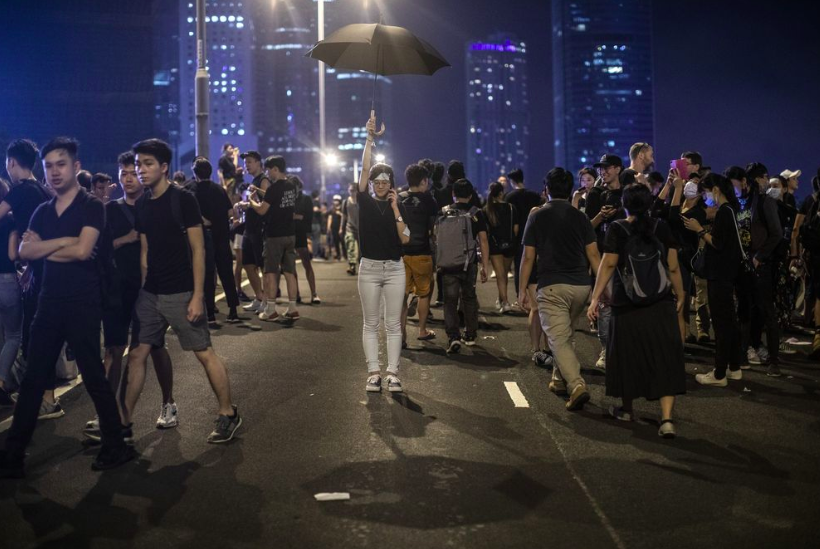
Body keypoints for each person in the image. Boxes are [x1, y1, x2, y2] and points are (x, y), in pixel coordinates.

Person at [1, 137, 134, 478]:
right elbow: (23, 253)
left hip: (83, 302)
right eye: (49, 166)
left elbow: (83, 251)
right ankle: (13, 454)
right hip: (48, 300)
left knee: (93, 375)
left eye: (61, 164)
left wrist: (46, 247)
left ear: (76, 167)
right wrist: (62, 242)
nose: (54, 171)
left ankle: (115, 444)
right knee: (33, 379)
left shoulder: (91, 206)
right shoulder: (43, 211)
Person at [122, 138, 241, 444]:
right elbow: (145, 250)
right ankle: (122, 424)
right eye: (138, 165)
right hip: (151, 293)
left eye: (148, 164)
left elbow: (198, 249)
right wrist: (143, 289)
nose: (141, 170)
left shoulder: (183, 199)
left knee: (204, 353)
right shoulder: (144, 203)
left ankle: (228, 413)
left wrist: (199, 295)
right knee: (137, 355)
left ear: (164, 167)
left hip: (181, 291)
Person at [88, 151, 177, 439]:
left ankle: (168, 404)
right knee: (113, 350)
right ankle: (107, 412)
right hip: (117, 290)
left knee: (154, 348)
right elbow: (98, 249)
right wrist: (126, 239)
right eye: (123, 173)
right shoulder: (109, 210)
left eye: (132, 172)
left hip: (149, 291)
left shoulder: (155, 206)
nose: (127, 178)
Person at [588, 183, 686, 438]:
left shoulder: (618, 229)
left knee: (626, 357)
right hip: (660, 302)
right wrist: (681, 293)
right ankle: (666, 420)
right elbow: (673, 266)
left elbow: (608, 265)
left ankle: (627, 409)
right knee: (664, 359)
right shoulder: (661, 227)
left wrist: (595, 298)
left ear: (625, 204)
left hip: (627, 304)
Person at [519, 168, 601, 409]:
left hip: (552, 285)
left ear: (547, 190)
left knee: (558, 337)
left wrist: (522, 289)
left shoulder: (537, 216)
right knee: (564, 334)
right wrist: (603, 287)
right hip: (580, 287)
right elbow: (594, 254)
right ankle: (558, 379)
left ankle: (576, 384)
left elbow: (528, 257)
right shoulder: (580, 217)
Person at [0, 139, 55, 414]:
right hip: (46, 269)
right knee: (41, 333)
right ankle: (45, 395)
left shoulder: (20, 191)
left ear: (11, 162)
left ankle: (43, 398)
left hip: (37, 273)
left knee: (35, 335)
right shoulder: (43, 191)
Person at [356, 113, 410, 393]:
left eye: (385, 181)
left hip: (394, 268)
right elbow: (364, 170)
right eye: (376, 181)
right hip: (369, 268)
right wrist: (369, 138)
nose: (379, 184)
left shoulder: (396, 205)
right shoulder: (363, 201)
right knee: (370, 322)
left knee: (392, 324)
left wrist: (396, 209)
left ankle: (392, 373)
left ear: (391, 183)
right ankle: (373, 372)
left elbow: (405, 238)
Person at [683, 174, 744, 387]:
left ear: (716, 189)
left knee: (721, 324)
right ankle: (734, 368)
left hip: (719, 274)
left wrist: (699, 230)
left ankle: (719, 374)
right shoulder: (731, 210)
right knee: (730, 321)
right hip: (728, 273)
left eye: (706, 191)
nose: (706, 197)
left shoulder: (723, 213)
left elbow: (717, 243)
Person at [726, 164, 783, 376]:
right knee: (743, 311)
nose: (733, 190)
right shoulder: (736, 204)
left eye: (735, 186)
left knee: (767, 311)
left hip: (761, 266)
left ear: (745, 182)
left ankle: (774, 361)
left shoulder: (764, 202)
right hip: (742, 266)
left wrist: (759, 257)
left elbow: (776, 234)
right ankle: (743, 355)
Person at [438, 178, 491, 353]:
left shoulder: (444, 212)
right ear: (470, 195)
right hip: (469, 264)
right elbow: (483, 240)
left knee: (450, 301)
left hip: (447, 265)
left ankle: (453, 336)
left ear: (453, 194)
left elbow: (435, 237)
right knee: (469, 298)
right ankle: (470, 334)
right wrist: (484, 265)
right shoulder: (476, 213)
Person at [187, 156, 241, 324]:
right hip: (221, 236)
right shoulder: (219, 189)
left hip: (203, 238)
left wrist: (205, 220)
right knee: (226, 273)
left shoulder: (190, 189)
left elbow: (190, 214)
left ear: (194, 172)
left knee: (208, 275)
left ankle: (210, 313)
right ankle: (233, 310)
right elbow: (230, 212)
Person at [247, 155, 299, 322]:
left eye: (270, 170)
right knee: (290, 272)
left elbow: (262, 210)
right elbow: (275, 198)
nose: (268, 174)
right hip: (290, 234)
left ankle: (270, 310)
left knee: (270, 272)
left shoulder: (274, 188)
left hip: (274, 235)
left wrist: (251, 201)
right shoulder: (292, 185)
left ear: (276, 169)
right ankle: (292, 309)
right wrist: (262, 192)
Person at [586, 154, 625, 369]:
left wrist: (619, 211)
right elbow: (587, 228)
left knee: (626, 303)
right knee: (605, 304)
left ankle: (624, 348)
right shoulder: (596, 195)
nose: (603, 171)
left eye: (608, 167)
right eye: (601, 168)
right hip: (602, 256)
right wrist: (601, 216)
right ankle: (606, 350)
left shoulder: (626, 194)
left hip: (625, 257)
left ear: (618, 169)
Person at [399, 163, 438, 344]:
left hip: (401, 254)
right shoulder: (428, 200)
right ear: (423, 181)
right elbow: (433, 228)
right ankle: (422, 330)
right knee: (424, 294)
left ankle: (402, 337)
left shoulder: (399, 199)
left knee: (402, 296)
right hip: (422, 252)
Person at [667, 169, 707, 343]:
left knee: (690, 295)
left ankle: (695, 333)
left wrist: (676, 190)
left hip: (688, 255)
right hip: (675, 254)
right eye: (689, 181)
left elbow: (674, 218)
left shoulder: (699, 211)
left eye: (696, 183)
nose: (690, 185)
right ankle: (683, 332)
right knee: (678, 294)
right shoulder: (680, 202)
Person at [790, 172, 820, 359]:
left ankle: (816, 333)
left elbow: (796, 228)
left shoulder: (810, 200)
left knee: (816, 291)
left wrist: (795, 254)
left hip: (815, 253)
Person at [504, 168, 542, 300]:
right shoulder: (534, 195)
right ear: (522, 179)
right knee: (535, 264)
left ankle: (520, 295)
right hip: (536, 233)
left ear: (511, 181)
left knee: (520, 264)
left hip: (518, 235)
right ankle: (535, 294)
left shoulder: (509, 197)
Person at [237, 151, 268, 314]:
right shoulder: (253, 182)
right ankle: (259, 297)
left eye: (249, 162)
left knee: (263, 267)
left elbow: (267, 201)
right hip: (249, 229)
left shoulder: (263, 181)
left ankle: (268, 301)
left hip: (259, 229)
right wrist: (243, 204)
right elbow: (253, 202)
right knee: (248, 264)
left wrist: (248, 204)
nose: (246, 165)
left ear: (258, 163)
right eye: (245, 163)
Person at [0, 179, 21, 405]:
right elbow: (13, 254)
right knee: (14, 335)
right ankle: (2, 381)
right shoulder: (11, 221)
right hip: (6, 279)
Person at [219, 154, 249, 302]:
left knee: (247, 263)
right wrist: (238, 220)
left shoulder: (246, 200)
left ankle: (240, 290)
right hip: (238, 234)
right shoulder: (236, 200)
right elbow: (234, 220)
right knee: (240, 263)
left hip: (246, 234)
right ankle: (238, 289)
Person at [485, 182, 518, 313]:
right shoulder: (511, 208)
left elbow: (485, 232)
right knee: (504, 274)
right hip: (509, 245)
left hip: (494, 246)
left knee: (500, 275)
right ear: (501, 193)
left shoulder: (486, 210)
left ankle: (504, 301)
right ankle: (503, 300)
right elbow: (516, 229)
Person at [292, 175, 320, 304]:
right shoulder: (287, 198)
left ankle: (314, 293)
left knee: (306, 263)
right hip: (288, 233)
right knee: (290, 267)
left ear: (299, 186)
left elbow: (308, 218)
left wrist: (295, 217)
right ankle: (295, 293)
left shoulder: (306, 199)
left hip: (300, 234)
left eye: (294, 186)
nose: (292, 189)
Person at [341, 183, 360, 275]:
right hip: (350, 227)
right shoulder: (346, 202)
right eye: (350, 190)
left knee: (362, 249)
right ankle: (352, 266)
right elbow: (344, 216)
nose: (352, 192)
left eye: (354, 190)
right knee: (350, 246)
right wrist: (341, 228)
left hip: (361, 228)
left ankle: (362, 265)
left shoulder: (361, 201)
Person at [326, 195, 343, 261]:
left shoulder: (342, 208)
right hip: (334, 228)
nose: (336, 201)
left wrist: (340, 214)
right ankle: (338, 255)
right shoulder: (332, 209)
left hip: (341, 227)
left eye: (337, 200)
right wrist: (328, 228)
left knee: (342, 242)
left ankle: (344, 255)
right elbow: (329, 218)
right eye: (335, 200)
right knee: (335, 242)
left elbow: (345, 216)